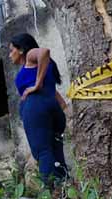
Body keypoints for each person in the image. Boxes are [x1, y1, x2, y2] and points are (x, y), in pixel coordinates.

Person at [9, 33, 68, 185]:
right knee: (55, 152)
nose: (10, 55)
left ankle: (49, 197)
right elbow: (53, 93)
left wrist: (37, 85)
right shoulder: (43, 66)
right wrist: (64, 110)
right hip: (52, 109)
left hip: (36, 109)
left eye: (11, 50)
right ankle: (64, 189)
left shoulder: (29, 56)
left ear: (21, 50)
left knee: (42, 152)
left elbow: (44, 51)